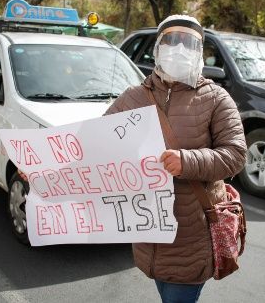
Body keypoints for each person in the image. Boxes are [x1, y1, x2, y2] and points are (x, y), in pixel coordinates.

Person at [104, 15, 247, 302]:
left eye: (189, 43)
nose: (179, 49)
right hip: (149, 237)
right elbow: (98, 144)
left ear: (200, 53)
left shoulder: (217, 99)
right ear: (157, 49)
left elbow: (236, 155)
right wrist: (45, 168)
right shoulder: (133, 97)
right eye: (171, 40)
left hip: (191, 240)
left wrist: (187, 161)